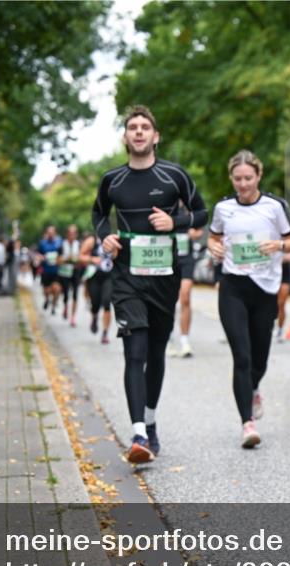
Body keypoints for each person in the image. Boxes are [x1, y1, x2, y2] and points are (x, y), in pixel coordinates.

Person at [94, 104, 207, 465]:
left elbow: (202, 213)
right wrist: (105, 238)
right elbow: (98, 214)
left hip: (164, 277)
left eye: (145, 127)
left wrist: (174, 221)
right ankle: (139, 433)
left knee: (156, 353)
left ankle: (152, 422)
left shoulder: (175, 175)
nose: (139, 132)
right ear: (126, 137)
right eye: (132, 127)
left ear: (155, 136)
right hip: (127, 277)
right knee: (135, 352)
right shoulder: (113, 180)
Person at [207, 150, 290, 448]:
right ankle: (248, 423)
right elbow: (213, 237)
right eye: (237, 179)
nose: (243, 184)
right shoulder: (223, 208)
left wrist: (279, 244)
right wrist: (214, 248)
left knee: (259, 358)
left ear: (258, 176)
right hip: (232, 287)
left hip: (266, 290)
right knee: (242, 356)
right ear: (231, 179)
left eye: (248, 178)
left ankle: (254, 387)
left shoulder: (274, 206)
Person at [170, 204, 203, 357]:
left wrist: (193, 234)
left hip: (187, 258)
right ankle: (168, 338)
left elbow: (199, 232)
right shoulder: (166, 207)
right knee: (168, 301)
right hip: (169, 259)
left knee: (185, 297)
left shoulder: (190, 210)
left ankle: (184, 341)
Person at [79, 228, 114, 344]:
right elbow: (81, 256)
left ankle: (105, 333)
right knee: (95, 303)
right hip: (94, 276)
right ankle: (94, 317)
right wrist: (92, 259)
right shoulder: (92, 240)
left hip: (108, 276)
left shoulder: (113, 240)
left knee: (106, 303)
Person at [59, 224, 84, 327]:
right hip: (64, 271)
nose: (72, 235)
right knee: (65, 294)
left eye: (74, 234)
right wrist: (66, 259)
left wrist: (78, 260)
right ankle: (65, 306)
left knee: (75, 294)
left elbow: (83, 259)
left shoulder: (79, 245)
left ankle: (73, 317)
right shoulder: (62, 245)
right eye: (70, 233)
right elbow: (57, 260)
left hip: (75, 271)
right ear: (67, 234)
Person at [35, 226, 64, 313]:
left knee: (57, 289)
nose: (51, 234)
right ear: (47, 233)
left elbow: (63, 254)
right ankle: (47, 299)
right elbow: (37, 254)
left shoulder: (59, 242)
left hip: (56, 270)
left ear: (55, 233)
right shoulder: (42, 243)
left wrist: (59, 259)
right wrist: (41, 257)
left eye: (52, 233)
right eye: (49, 233)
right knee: (46, 290)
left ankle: (54, 306)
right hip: (46, 270)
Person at [274, 249, 290, 341]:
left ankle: (280, 329)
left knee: (281, 303)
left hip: (284, 274)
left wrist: (275, 258)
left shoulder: (286, 238)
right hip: (270, 273)